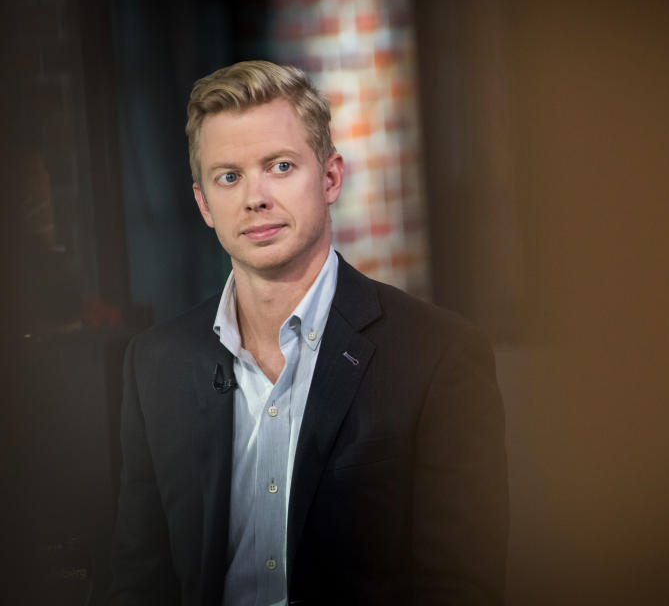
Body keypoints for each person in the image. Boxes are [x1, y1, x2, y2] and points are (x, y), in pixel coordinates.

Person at [106, 60, 508, 605]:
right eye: (229, 176)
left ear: (330, 177)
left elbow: (459, 585)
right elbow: (137, 575)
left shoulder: (438, 355)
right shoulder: (154, 363)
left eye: (279, 166)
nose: (255, 198)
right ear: (204, 204)